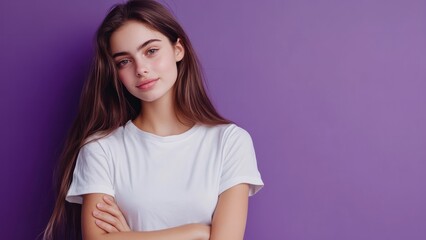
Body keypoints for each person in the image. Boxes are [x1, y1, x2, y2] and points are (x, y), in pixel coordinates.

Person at [43, 0, 263, 239]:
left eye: (151, 51)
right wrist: (197, 232)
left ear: (178, 49)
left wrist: (130, 236)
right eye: (124, 61)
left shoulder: (230, 142)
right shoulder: (101, 149)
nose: (141, 69)